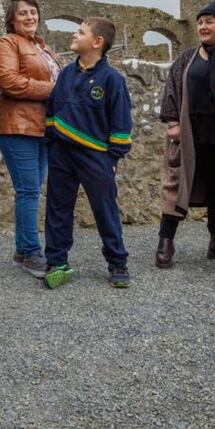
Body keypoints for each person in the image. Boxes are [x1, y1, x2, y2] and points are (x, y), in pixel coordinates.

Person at [43, 18, 133, 289]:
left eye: (80, 32)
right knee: (57, 209)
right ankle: (57, 262)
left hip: (96, 157)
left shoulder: (112, 79)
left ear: (97, 42)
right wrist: (52, 141)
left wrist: (113, 157)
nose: (74, 34)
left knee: (105, 210)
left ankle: (117, 262)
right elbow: (52, 110)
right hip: (61, 154)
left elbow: (121, 124)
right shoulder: (66, 74)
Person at [156, 0, 215, 268]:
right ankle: (165, 242)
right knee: (175, 185)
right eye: (201, 21)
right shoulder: (186, 59)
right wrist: (173, 124)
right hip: (190, 133)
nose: (203, 26)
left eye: (210, 21)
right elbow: (171, 90)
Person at [0, 0, 61, 278]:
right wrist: (52, 90)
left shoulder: (42, 47)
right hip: (16, 125)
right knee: (29, 189)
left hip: (40, 127)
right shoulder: (7, 43)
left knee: (32, 189)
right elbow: (8, 82)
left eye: (33, 12)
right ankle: (31, 252)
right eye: (23, 13)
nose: (30, 17)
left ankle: (23, 249)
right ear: (12, 19)